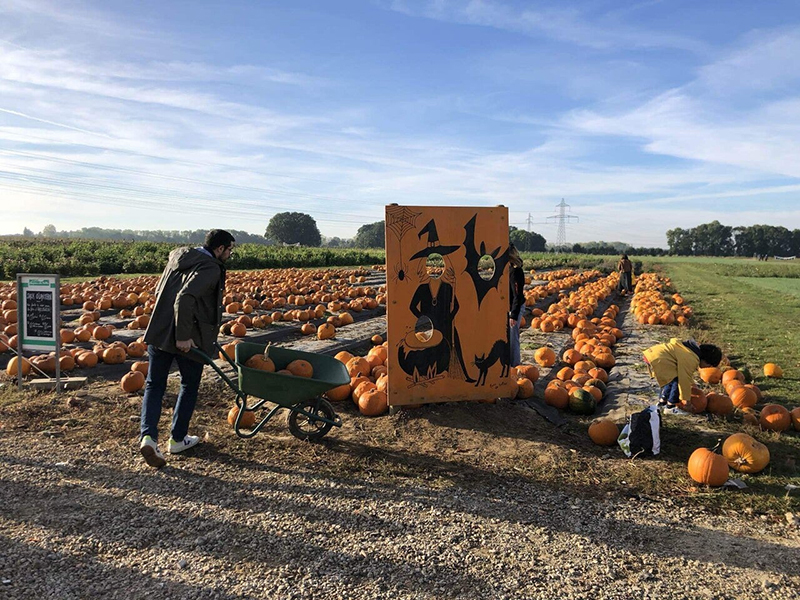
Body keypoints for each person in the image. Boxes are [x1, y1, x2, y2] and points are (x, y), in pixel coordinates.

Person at [139, 229, 235, 468]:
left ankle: (148, 437)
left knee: (154, 384)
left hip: (160, 332)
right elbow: (185, 297)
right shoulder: (210, 267)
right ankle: (178, 439)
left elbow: (160, 291)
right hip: (188, 338)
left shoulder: (177, 259)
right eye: (229, 249)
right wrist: (183, 336)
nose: (230, 254)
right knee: (189, 385)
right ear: (220, 248)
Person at [643, 338, 722, 413]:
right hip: (658, 358)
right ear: (707, 361)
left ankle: (662, 403)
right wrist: (687, 402)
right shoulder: (692, 359)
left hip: (653, 354)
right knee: (677, 381)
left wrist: (693, 384)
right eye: (709, 366)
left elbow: (685, 373)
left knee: (671, 379)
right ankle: (670, 407)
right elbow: (684, 379)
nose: (707, 368)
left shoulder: (689, 350)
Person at [507, 243, 525, 367]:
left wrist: (514, 314)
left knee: (513, 337)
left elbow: (517, 295)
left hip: (515, 307)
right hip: (509, 306)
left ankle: (515, 366)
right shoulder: (507, 270)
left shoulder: (515, 272)